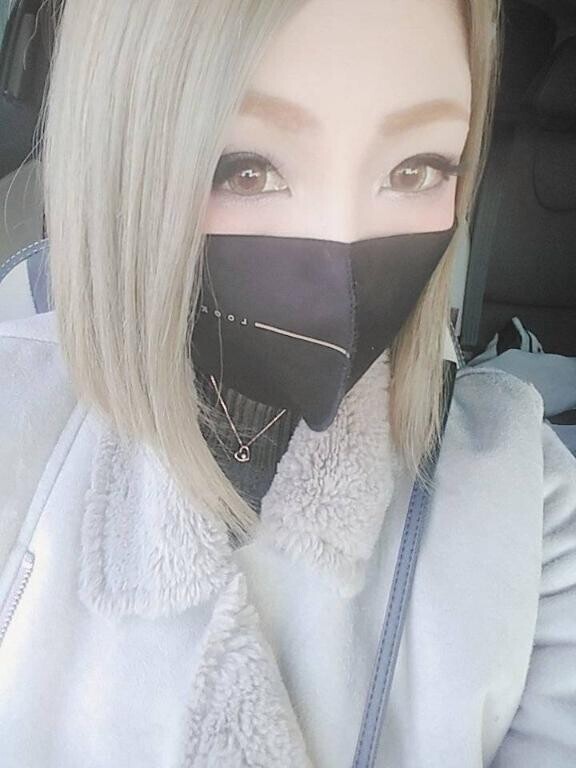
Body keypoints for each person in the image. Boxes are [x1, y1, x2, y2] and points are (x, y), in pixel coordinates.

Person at [0, 0, 574, 765]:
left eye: (416, 170)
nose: (342, 246)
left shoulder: (532, 500)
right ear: (121, 159)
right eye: (247, 168)